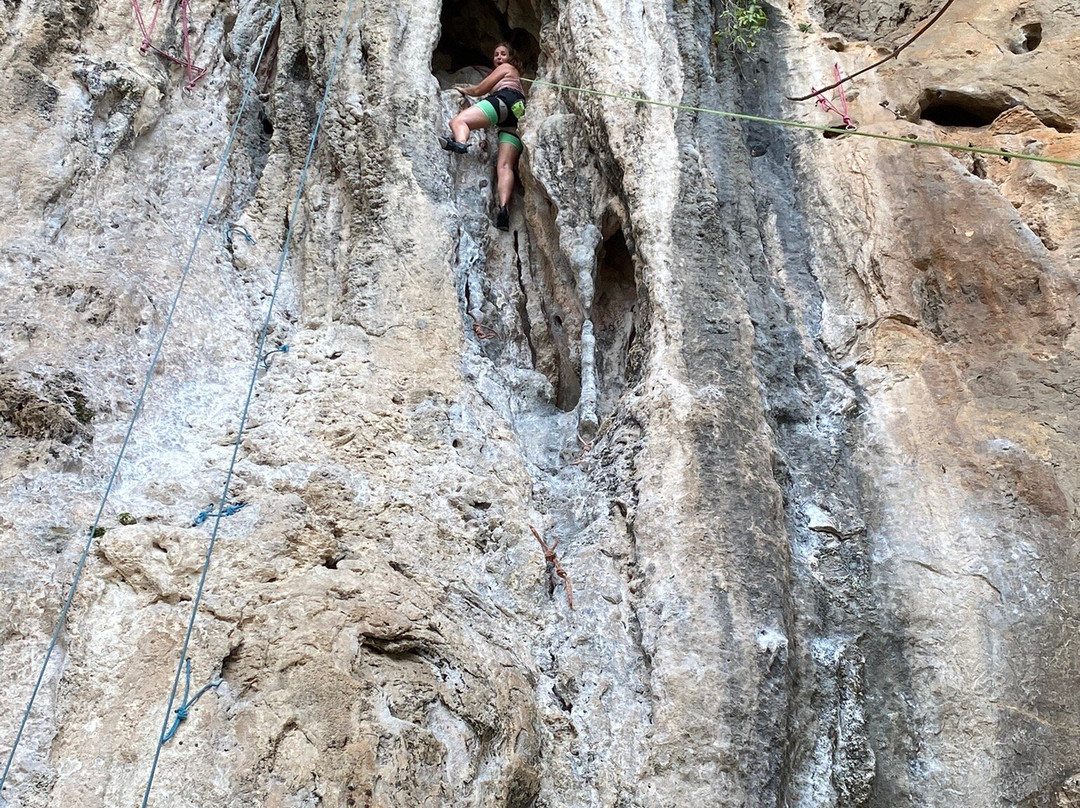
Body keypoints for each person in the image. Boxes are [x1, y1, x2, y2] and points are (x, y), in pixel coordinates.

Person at [439, 42, 526, 231]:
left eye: (503, 54)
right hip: (517, 114)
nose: (499, 58)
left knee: (459, 121)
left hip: (503, 100)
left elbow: (480, 90)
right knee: (505, 166)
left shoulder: (505, 68)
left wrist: (464, 90)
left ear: (511, 58)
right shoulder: (517, 78)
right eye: (496, 55)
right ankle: (504, 209)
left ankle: (460, 142)